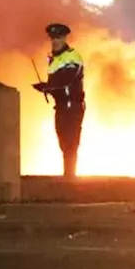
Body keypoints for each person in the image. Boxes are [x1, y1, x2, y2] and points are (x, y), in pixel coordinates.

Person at [34, 23, 85, 179]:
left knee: (70, 140)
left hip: (73, 106)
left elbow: (67, 80)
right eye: (53, 38)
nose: (55, 41)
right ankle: (68, 174)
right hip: (61, 106)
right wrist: (46, 88)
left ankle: (70, 176)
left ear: (64, 38)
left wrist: (47, 87)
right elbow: (57, 84)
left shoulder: (72, 56)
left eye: (58, 37)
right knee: (62, 138)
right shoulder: (54, 59)